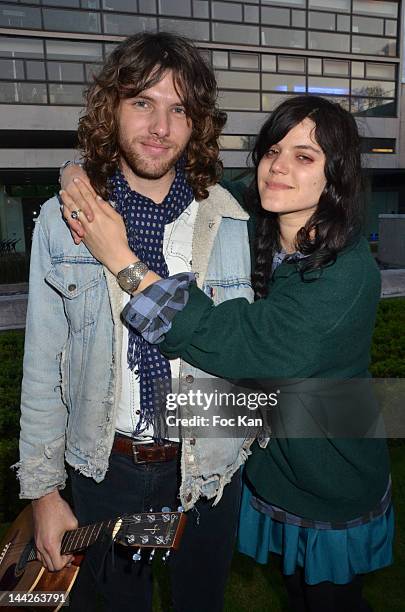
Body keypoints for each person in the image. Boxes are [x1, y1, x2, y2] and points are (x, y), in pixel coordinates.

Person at [63, 95, 394, 612]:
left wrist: (122, 260)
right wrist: (75, 176)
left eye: (305, 157)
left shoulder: (347, 274)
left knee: (327, 601)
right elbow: (179, 183)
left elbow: (235, 340)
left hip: (328, 466)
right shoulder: (253, 212)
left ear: (336, 176)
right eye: (273, 151)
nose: (279, 167)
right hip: (275, 451)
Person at [16, 32, 255, 612]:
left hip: (206, 471)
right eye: (143, 102)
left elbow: (239, 352)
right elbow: (43, 366)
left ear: (197, 124)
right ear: (112, 108)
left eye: (180, 110)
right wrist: (43, 492)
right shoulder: (62, 219)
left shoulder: (227, 218)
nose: (160, 127)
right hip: (107, 469)